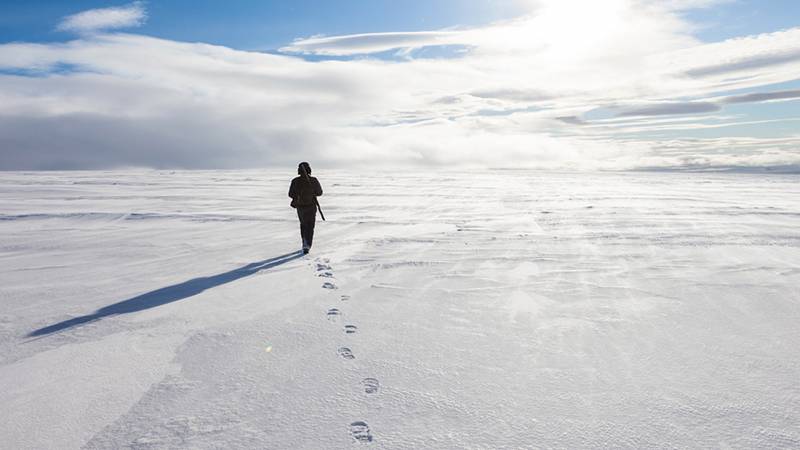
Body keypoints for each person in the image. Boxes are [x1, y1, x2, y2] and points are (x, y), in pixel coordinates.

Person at [288, 162, 323, 254]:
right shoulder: (313, 180)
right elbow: (319, 192)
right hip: (311, 206)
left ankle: (305, 242)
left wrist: (298, 196)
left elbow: (290, 194)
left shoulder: (295, 181)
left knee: (303, 224)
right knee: (310, 226)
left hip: (300, 207)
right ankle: (307, 244)